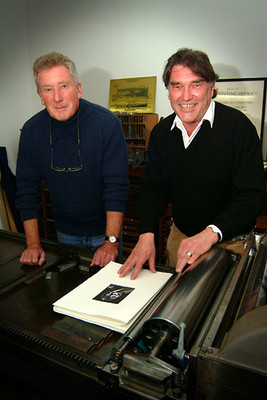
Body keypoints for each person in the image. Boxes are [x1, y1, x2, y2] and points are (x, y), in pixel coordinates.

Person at [119, 48, 266, 280]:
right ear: (168, 91)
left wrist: (210, 234)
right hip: (181, 237)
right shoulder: (161, 133)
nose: (185, 96)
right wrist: (146, 233)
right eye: (177, 86)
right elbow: (152, 189)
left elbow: (251, 196)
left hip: (230, 242)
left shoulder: (239, 128)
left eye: (195, 84)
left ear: (212, 86)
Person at [16, 52, 129, 267]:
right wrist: (32, 244)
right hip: (64, 233)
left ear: (78, 88)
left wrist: (111, 242)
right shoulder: (31, 131)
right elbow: (26, 191)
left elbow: (116, 188)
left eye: (64, 86)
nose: (57, 97)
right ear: (40, 96)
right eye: (48, 89)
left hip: (105, 233)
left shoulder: (107, 124)